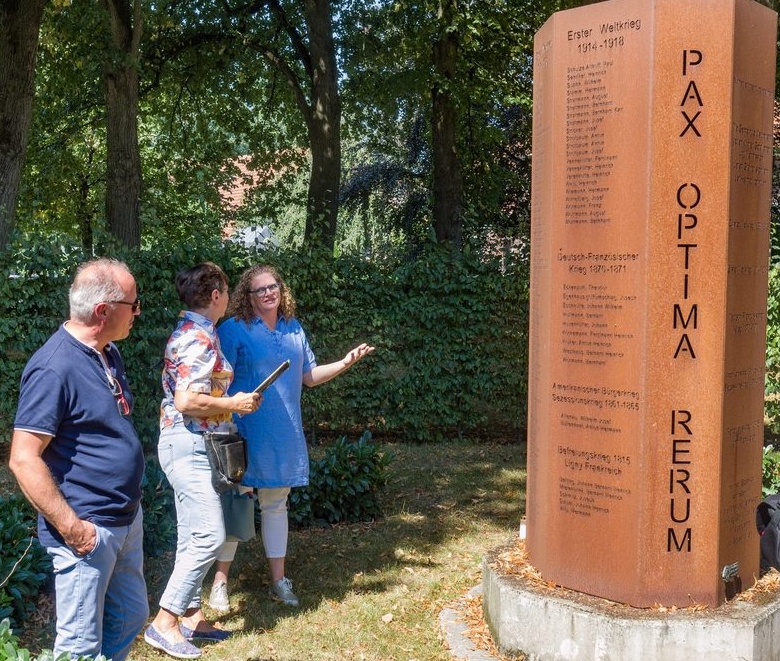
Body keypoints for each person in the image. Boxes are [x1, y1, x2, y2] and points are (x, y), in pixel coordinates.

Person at [210, 264, 374, 611]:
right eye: (260, 289)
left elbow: (309, 376)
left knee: (276, 504)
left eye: (273, 286)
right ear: (247, 296)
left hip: (282, 433)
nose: (269, 293)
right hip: (244, 432)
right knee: (238, 504)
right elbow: (217, 381)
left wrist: (345, 363)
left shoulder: (293, 327)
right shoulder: (233, 329)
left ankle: (279, 581)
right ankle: (220, 583)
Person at [9, 258, 148, 661]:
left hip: (125, 518)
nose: (138, 312)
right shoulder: (53, 367)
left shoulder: (107, 352)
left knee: (131, 616)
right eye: (133, 304)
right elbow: (23, 458)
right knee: (79, 649)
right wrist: (73, 529)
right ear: (103, 311)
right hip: (88, 529)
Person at [144, 262, 260, 659]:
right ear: (215, 296)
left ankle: (191, 617)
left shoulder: (197, 332)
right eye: (226, 292)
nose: (228, 298)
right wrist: (234, 403)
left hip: (191, 442)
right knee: (210, 535)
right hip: (189, 443)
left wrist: (230, 404)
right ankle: (164, 622)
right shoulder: (197, 337)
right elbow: (187, 400)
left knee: (192, 534)